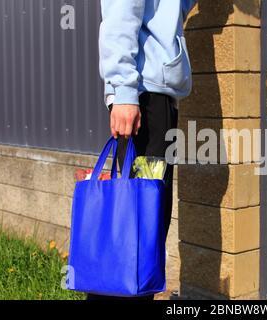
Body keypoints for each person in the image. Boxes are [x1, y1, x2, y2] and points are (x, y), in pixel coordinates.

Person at [87, 0, 197, 300]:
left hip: (155, 98)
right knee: (140, 224)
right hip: (145, 102)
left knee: (147, 222)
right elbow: (120, 15)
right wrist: (123, 92)